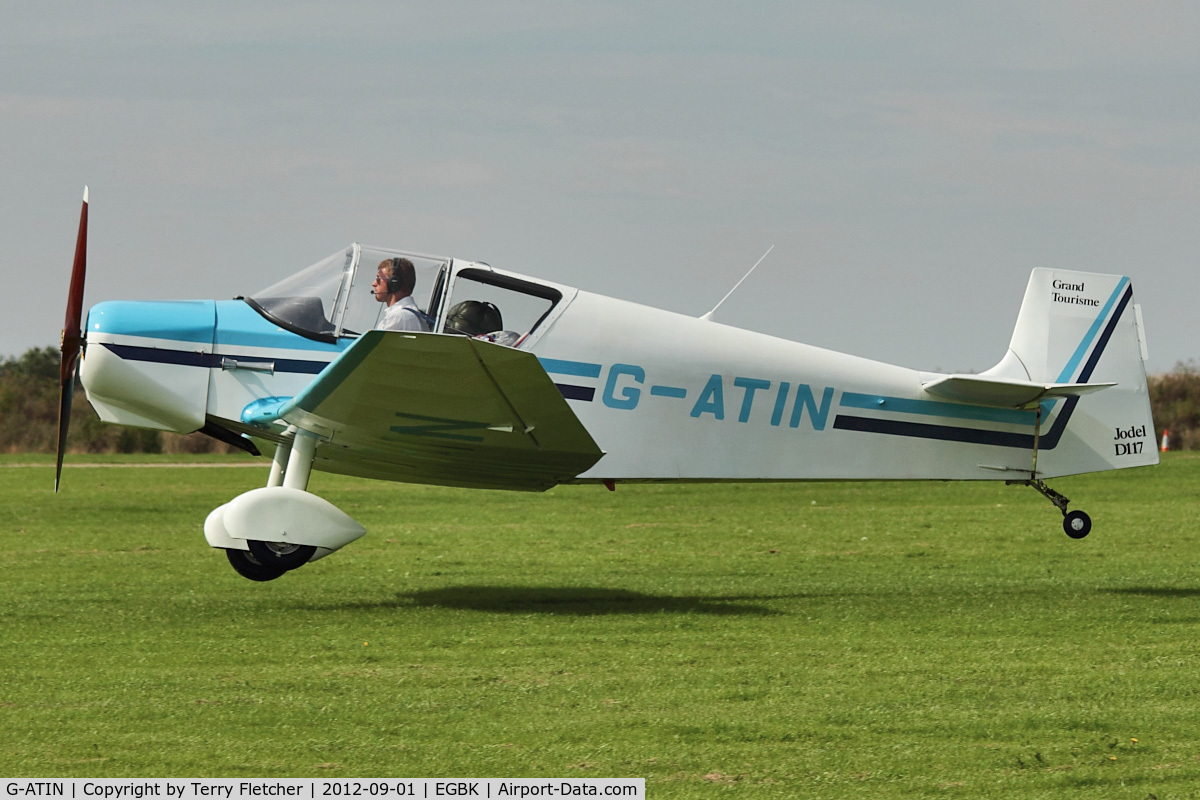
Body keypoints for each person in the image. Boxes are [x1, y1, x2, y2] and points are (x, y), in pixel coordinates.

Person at [372, 257, 431, 332]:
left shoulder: (399, 317)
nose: (374, 283)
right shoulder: (409, 314)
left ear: (394, 283)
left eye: (378, 278)